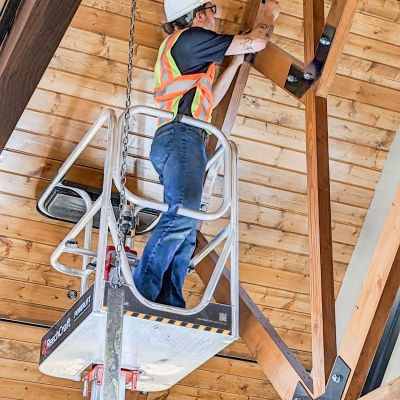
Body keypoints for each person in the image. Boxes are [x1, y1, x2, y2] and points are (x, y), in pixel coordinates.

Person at [133, 0, 280, 308]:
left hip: (183, 138)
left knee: (188, 224)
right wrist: (266, 17)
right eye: (213, 9)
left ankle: (168, 299)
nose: (216, 16)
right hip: (181, 136)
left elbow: (210, 99)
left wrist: (237, 63)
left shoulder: (192, 52)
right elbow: (257, 40)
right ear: (198, 14)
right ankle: (143, 293)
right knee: (184, 212)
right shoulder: (188, 40)